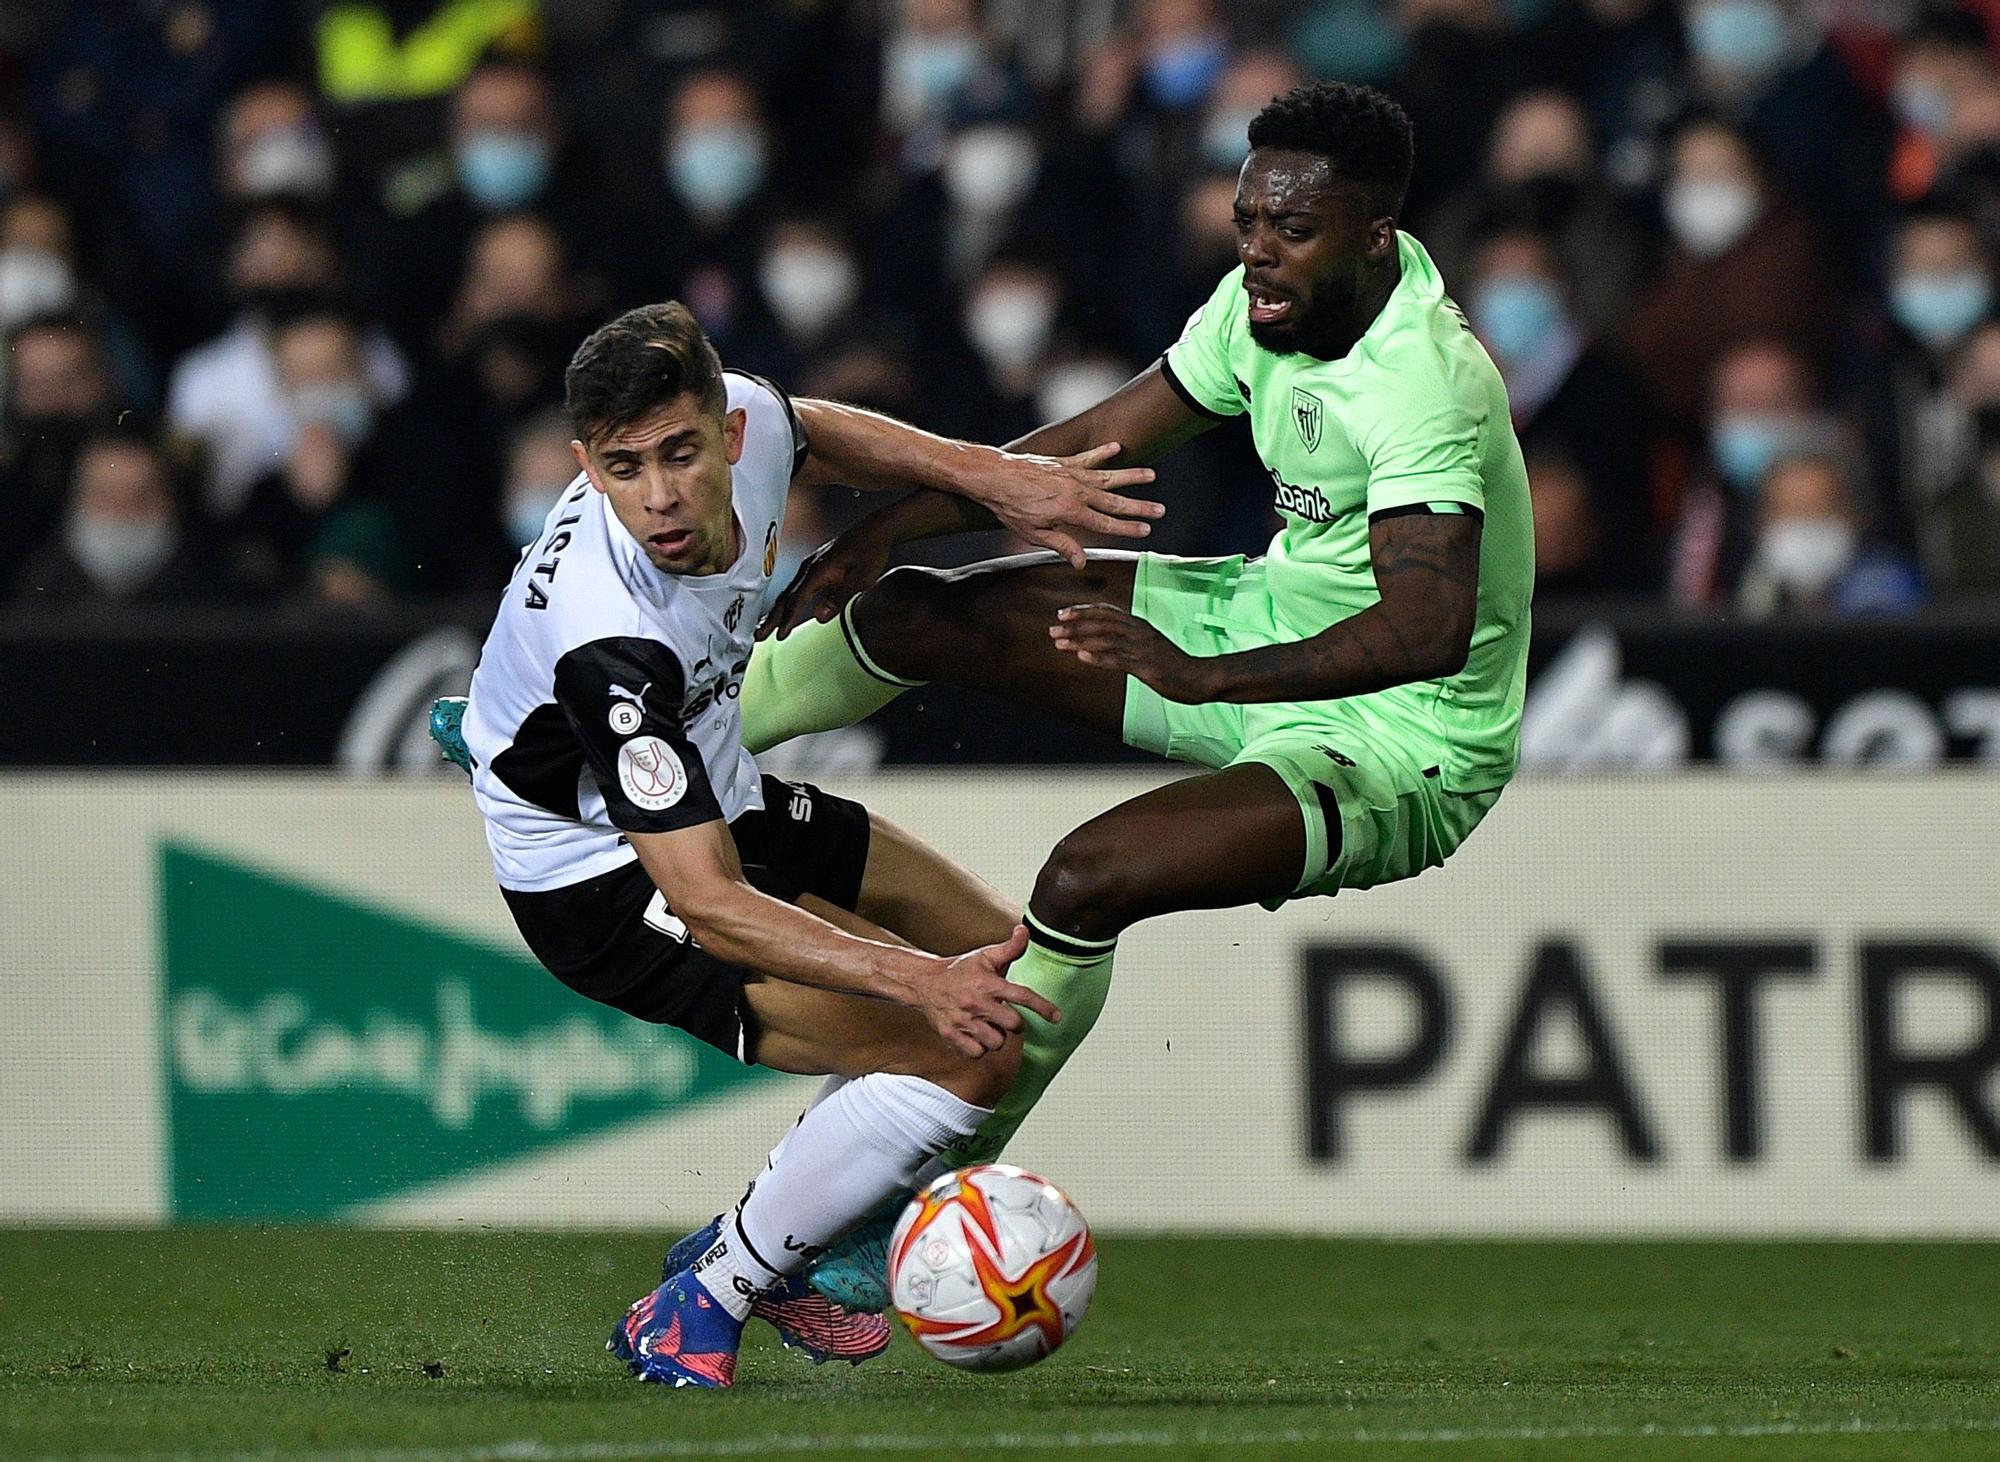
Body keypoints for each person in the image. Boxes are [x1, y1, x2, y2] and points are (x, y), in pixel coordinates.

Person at [738, 81, 1532, 1300]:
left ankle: (898, 1190)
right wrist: (895, 525)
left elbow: (1424, 630)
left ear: (1374, 236)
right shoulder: (1260, 310)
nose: (1259, 253)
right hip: (1264, 624)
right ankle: (613, 738)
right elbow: (1092, 445)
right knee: (911, 613)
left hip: (1403, 743)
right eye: (1247, 222)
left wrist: (1199, 673)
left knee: (1083, 880)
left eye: (1292, 231)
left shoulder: (1422, 378)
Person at [448, 301, 1160, 1388]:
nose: (660, 497)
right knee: (965, 1039)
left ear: (726, 432)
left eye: (682, 454)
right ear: (586, 465)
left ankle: (801, 1228)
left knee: (1002, 955)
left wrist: (995, 479)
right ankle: (710, 1293)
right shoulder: (613, 645)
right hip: (604, 874)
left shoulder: (752, 425)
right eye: (624, 470)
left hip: (713, 783)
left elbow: (817, 427)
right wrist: (912, 983)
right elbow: (709, 904)